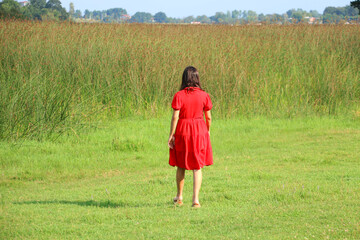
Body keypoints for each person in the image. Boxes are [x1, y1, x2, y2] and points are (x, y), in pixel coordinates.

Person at [168, 66, 213, 208]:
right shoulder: (204, 95)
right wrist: (207, 130)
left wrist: (171, 135)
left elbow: (175, 116)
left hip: (183, 130)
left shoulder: (179, 95)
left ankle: (179, 197)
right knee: (197, 165)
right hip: (200, 130)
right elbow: (209, 117)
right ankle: (195, 200)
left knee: (181, 164)